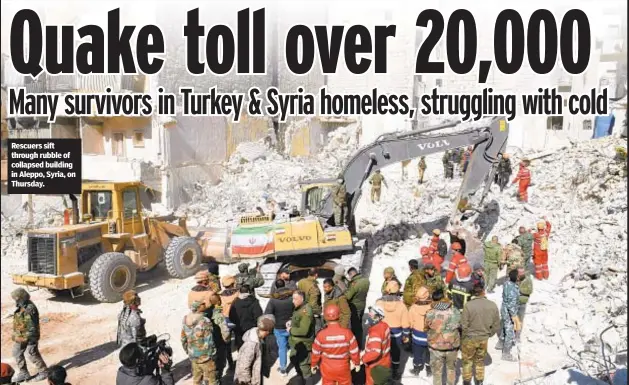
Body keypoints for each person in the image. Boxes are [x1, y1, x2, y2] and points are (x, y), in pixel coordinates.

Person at [460, 283, 500, 385]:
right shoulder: (492, 305)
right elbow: (496, 325)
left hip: (469, 338)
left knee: (467, 361)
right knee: (480, 360)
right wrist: (489, 334)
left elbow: (463, 325)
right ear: (483, 292)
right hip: (483, 338)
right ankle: (479, 381)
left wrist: (463, 338)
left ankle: (467, 381)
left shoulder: (468, 306)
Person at [311, 304, 360, 385]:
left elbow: (315, 352)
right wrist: (357, 363)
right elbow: (354, 351)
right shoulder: (347, 333)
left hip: (327, 367)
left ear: (326, 317)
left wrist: (313, 364)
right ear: (339, 315)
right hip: (343, 367)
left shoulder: (321, 335)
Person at [10, 288, 47, 383]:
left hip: (29, 336)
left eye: (16, 299)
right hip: (21, 335)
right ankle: (23, 373)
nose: (15, 301)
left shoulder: (29, 308)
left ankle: (43, 372)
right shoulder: (22, 304)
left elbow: (32, 327)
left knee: (31, 353)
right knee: (16, 352)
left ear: (22, 298)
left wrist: (31, 340)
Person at [425, 288, 461, 385]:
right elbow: (460, 325)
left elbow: (426, 327)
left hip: (436, 348)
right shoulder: (455, 311)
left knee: (437, 372)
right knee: (451, 369)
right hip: (452, 347)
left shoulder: (430, 313)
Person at [376, 281, 409, 379]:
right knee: (395, 352)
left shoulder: (379, 303)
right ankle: (395, 372)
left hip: (382, 333)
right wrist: (406, 335)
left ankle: (381, 371)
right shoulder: (401, 305)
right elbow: (405, 323)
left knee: (382, 352)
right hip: (397, 334)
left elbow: (374, 318)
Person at [182, 300, 217, 385]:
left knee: (196, 380)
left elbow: (183, 338)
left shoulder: (185, 319)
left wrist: (188, 350)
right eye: (202, 305)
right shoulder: (205, 320)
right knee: (212, 380)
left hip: (193, 355)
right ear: (198, 308)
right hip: (205, 356)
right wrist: (213, 353)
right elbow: (209, 339)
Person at [264, 279, 294, 376]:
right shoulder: (292, 297)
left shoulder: (273, 300)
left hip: (279, 327)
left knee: (282, 348)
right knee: (294, 346)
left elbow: (267, 313)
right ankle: (298, 366)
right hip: (292, 325)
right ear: (285, 285)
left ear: (276, 287)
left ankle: (283, 368)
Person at [234, 316, 275, 385]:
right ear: (267, 332)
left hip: (254, 377)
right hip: (246, 381)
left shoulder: (257, 337)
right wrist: (247, 381)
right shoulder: (251, 345)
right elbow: (243, 367)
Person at [288, 290, 315, 385]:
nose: (293, 301)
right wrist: (290, 323)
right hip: (297, 344)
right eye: (293, 299)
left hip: (304, 345)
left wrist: (290, 330)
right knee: (297, 364)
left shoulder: (306, 311)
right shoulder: (299, 308)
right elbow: (297, 321)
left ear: (302, 299)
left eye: (295, 299)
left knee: (304, 369)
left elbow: (304, 330)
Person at [363, 305, 392, 385]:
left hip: (375, 366)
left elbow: (375, 352)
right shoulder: (385, 326)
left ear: (379, 317)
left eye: (372, 314)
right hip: (385, 361)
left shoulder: (375, 332)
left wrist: (363, 359)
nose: (370, 316)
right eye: (370, 313)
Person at [496, 269, 521, 362]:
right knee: (510, 332)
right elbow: (511, 304)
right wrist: (514, 316)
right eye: (518, 276)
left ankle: (500, 343)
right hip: (509, 312)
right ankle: (506, 354)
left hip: (504, 310)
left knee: (504, 327)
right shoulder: (513, 289)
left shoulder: (507, 283)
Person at [408, 286, 432, 377]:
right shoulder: (432, 307)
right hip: (429, 336)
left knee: (417, 354)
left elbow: (409, 323)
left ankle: (416, 369)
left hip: (417, 336)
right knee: (429, 353)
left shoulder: (413, 308)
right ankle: (429, 369)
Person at [345, 267, 370, 348]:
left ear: (351, 274)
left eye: (350, 276)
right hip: (362, 304)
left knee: (356, 326)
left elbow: (348, 296)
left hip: (355, 306)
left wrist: (345, 290)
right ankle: (359, 342)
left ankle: (357, 345)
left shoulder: (354, 283)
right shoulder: (366, 280)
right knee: (359, 323)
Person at [207, 294, 230, 378]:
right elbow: (225, 332)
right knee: (220, 367)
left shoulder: (207, 313)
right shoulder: (219, 315)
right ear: (219, 302)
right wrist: (226, 341)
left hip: (209, 344)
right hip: (219, 344)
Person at [219, 275, 238, 371]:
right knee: (239, 341)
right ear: (232, 284)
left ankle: (230, 363)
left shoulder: (220, 296)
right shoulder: (237, 294)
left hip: (226, 321)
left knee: (227, 343)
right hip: (236, 320)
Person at [297, 268, 323, 333]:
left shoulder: (301, 282)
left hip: (302, 310)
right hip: (312, 313)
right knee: (317, 331)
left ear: (308, 273)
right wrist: (317, 312)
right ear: (316, 275)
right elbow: (313, 303)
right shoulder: (313, 286)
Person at [516, 267, 533, 342]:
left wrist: (520, 290)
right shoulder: (514, 278)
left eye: (522, 272)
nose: (521, 274)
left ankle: (517, 336)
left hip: (522, 303)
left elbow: (529, 291)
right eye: (519, 272)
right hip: (514, 302)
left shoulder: (528, 280)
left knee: (520, 320)